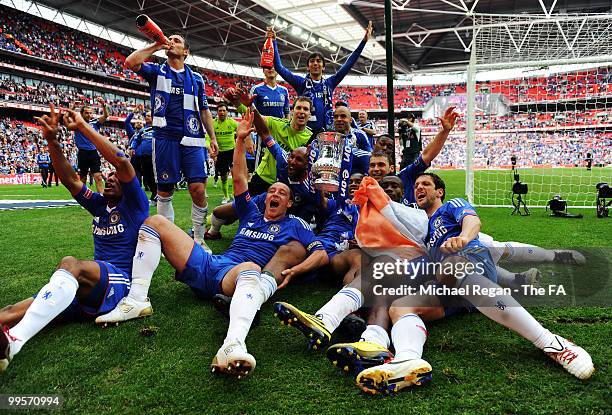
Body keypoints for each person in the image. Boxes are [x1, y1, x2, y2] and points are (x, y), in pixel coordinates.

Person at [95, 109, 328, 378]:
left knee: (251, 266)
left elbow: (320, 253)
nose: (274, 194)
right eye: (272, 191)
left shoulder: (295, 225)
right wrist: (240, 140)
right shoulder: (251, 212)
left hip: (234, 279)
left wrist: (297, 270)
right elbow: (240, 179)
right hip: (210, 265)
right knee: (154, 222)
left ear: (289, 203)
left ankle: (232, 345)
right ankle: (136, 300)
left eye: (281, 193)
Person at [354, 173, 595, 394]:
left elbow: (472, 221)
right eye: (416, 186)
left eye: (426, 184)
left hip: (471, 258)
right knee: (401, 306)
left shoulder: (452, 205)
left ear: (440, 192)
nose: (419, 188)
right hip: (450, 285)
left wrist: (463, 238)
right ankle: (408, 359)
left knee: (481, 255)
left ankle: (552, 343)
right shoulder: (423, 229)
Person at [0, 105, 149, 372]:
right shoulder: (99, 205)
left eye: (115, 177)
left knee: (70, 262)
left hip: (119, 284)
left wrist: (82, 126)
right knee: (10, 311)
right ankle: (9, 337)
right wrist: (52, 140)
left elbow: (123, 163)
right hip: (87, 285)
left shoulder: (136, 205)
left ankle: (16, 340)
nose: (110, 178)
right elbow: (70, 179)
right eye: (108, 176)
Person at [124, 34, 219, 251]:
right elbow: (131, 62)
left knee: (197, 188)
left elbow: (203, 110)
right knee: (165, 191)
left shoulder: (196, 78)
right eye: (170, 39)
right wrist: (157, 44)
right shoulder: (157, 72)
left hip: (193, 137)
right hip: (165, 137)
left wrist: (211, 137)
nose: (171, 41)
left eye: (176, 40)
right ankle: (169, 241)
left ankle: (198, 238)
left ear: (186, 51)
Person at [268, 22, 372, 132]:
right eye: (312, 61)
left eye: (319, 61)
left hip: (326, 132)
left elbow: (349, 63)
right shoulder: (301, 83)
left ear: (323, 67)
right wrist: (273, 41)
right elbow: (279, 67)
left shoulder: (329, 83)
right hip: (304, 132)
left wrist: (363, 42)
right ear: (308, 67)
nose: (315, 64)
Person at [74, 97, 108, 193]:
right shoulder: (78, 124)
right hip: (82, 153)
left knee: (98, 177)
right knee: (83, 179)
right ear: (82, 114)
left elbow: (105, 116)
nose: (89, 115)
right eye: (86, 113)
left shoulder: (95, 123)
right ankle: (83, 200)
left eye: (90, 113)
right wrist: (72, 107)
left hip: (93, 153)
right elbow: (67, 118)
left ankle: (101, 198)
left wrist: (103, 105)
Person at [209, 102, 238, 204]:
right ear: (217, 112)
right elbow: (208, 139)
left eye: (224, 110)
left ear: (227, 112)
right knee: (224, 176)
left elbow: (241, 132)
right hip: (220, 153)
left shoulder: (232, 122)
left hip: (232, 151)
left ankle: (235, 194)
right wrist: (211, 151)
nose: (222, 112)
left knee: (235, 174)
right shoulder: (213, 123)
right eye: (220, 111)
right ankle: (226, 196)